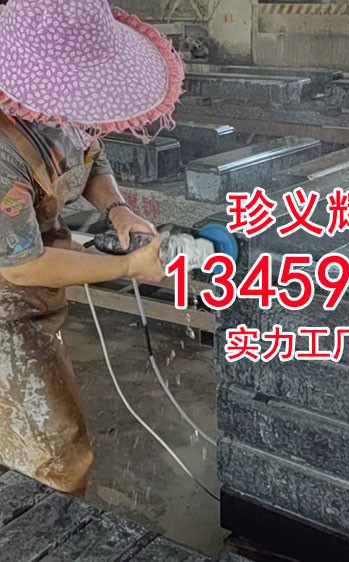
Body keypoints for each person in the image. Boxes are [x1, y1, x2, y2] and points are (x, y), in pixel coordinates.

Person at [0, 0, 184, 496]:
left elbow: (89, 156)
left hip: (30, 292)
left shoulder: (59, 110)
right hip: (7, 297)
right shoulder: (2, 148)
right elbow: (22, 267)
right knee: (59, 454)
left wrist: (118, 210)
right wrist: (127, 266)